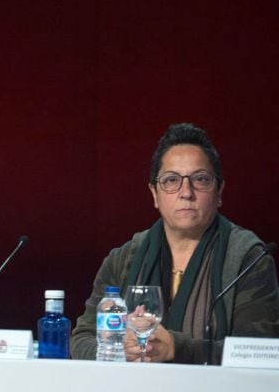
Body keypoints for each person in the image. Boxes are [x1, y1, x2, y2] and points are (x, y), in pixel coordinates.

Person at [71, 122, 279, 363]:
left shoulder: (248, 259)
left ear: (220, 192)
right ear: (154, 194)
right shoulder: (123, 259)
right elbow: (81, 339)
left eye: (200, 179)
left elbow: (261, 354)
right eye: (171, 180)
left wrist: (178, 349)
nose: (186, 192)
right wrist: (120, 349)